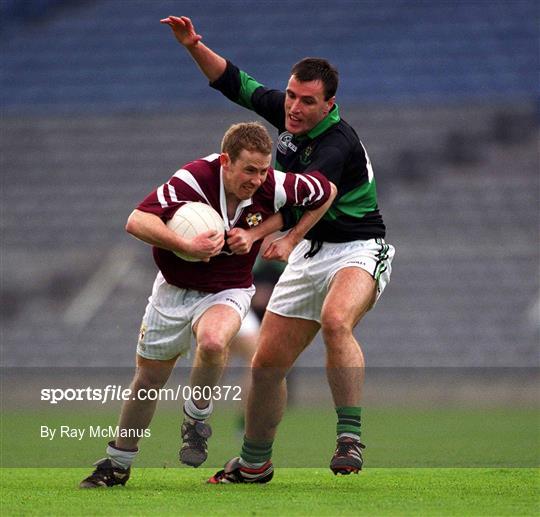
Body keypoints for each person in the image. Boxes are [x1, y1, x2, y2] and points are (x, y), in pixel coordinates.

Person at [161, 16, 396, 483]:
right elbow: (234, 82)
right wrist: (192, 45)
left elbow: (321, 193)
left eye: (308, 101)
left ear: (330, 103)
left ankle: (349, 437)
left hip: (359, 248)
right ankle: (253, 464)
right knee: (266, 364)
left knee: (335, 319)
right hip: (311, 255)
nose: (294, 107)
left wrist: (284, 236)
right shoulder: (289, 117)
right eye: (291, 95)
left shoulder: (337, 140)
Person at [79, 121, 336, 488]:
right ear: (226, 161)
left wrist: (271, 235)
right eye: (249, 169)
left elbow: (326, 191)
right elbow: (136, 220)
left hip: (228, 289)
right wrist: (184, 245)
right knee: (148, 381)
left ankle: (196, 416)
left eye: (264, 170)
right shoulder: (193, 179)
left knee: (215, 341)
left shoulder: (274, 184)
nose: (258, 179)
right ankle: (117, 463)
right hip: (173, 288)